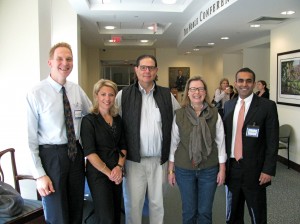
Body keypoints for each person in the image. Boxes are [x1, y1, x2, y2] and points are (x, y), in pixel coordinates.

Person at [26, 42, 92, 224]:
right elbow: (29, 139)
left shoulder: (75, 90)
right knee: (57, 214)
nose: (65, 63)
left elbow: (92, 116)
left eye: (69, 59)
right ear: (50, 62)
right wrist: (39, 175)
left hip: (75, 155)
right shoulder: (36, 93)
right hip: (51, 157)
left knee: (77, 208)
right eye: (60, 59)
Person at [115, 54, 181, 224]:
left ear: (156, 71)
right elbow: (115, 127)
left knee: (157, 204)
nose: (147, 71)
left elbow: (179, 121)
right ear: (136, 70)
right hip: (133, 162)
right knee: (133, 205)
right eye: (143, 67)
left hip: (160, 162)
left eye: (151, 68)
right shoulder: (123, 95)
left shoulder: (167, 95)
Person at [223, 67, 279, 224]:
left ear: (254, 84)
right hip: (232, 168)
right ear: (235, 83)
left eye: (248, 81)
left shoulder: (267, 106)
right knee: (232, 214)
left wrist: (268, 170)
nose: (244, 84)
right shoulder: (228, 105)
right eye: (240, 80)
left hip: (255, 171)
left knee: (257, 214)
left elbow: (272, 140)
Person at [168, 76, 227, 224]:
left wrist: (222, 169)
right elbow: (174, 143)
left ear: (205, 92)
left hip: (209, 169)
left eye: (200, 88)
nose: (197, 92)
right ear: (188, 92)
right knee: (189, 211)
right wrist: (171, 170)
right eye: (193, 89)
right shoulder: (179, 114)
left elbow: (221, 143)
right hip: (184, 169)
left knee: (205, 211)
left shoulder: (215, 113)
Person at [80, 79, 127, 224]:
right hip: (99, 174)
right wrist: (109, 173)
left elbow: (123, 146)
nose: (107, 98)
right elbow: (90, 153)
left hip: (116, 171)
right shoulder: (89, 120)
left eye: (111, 95)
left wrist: (119, 168)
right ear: (96, 95)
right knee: (105, 216)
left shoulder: (117, 119)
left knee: (116, 214)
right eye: (103, 94)